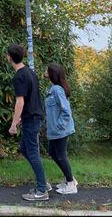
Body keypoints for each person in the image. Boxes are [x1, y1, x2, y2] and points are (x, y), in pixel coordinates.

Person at [7, 43, 50, 201]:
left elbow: (20, 102)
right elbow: (32, 97)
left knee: (32, 152)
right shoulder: (30, 72)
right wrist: (19, 118)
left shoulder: (19, 76)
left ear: (9, 57)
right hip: (34, 116)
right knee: (25, 149)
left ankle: (41, 190)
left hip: (31, 118)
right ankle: (43, 182)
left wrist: (13, 124)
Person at [45, 63, 78, 194]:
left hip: (61, 130)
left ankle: (71, 184)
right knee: (53, 153)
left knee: (60, 156)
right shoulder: (53, 88)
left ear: (52, 73)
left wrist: (59, 125)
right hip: (54, 131)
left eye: (47, 70)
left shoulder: (57, 90)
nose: (45, 71)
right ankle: (69, 179)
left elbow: (66, 111)